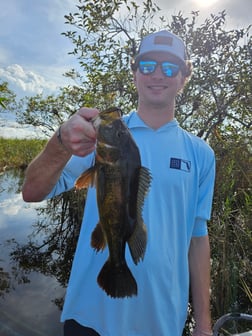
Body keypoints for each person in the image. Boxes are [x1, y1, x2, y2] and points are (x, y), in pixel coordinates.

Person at [22, 30, 215, 336]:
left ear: (183, 77)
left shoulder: (201, 154)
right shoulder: (96, 139)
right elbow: (31, 192)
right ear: (135, 71)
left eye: (169, 68)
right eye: (148, 64)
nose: (157, 75)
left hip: (162, 322)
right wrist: (60, 141)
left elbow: (198, 238)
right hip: (89, 316)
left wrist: (203, 325)